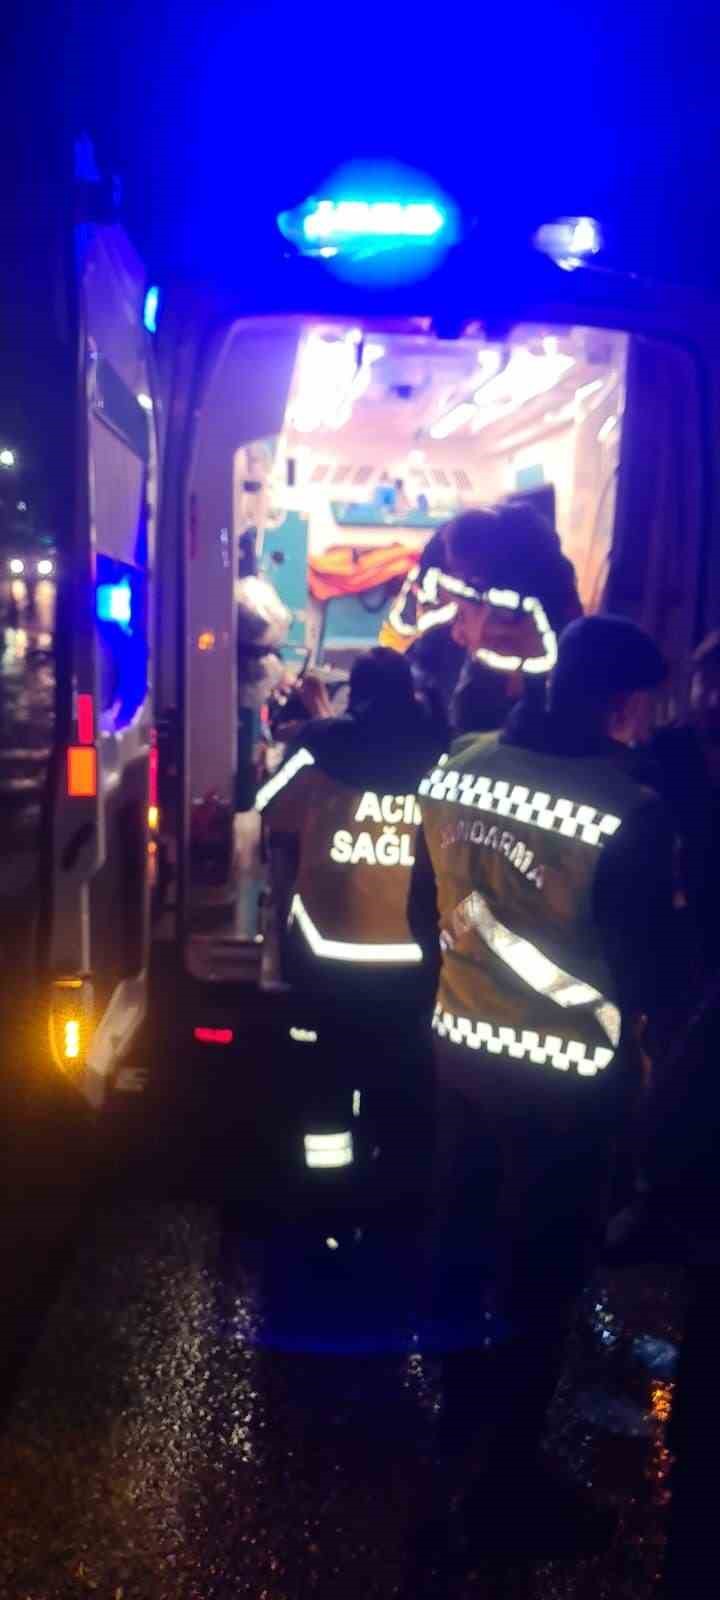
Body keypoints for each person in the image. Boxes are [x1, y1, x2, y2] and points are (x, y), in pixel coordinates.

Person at [407, 613, 678, 1577]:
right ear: (623, 706)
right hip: (567, 1093)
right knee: (539, 1284)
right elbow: (652, 972)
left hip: (460, 1058)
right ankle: (504, 1495)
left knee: (461, 1251)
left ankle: (450, 1444)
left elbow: (424, 915)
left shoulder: (459, 762)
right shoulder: (630, 812)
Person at [256, 647, 447, 1213]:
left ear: (356, 694)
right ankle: (394, 1202)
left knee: (326, 1086)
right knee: (402, 1083)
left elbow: (267, 808)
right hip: (412, 966)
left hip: (326, 960)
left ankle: (327, 1204)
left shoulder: (320, 745)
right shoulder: (445, 754)